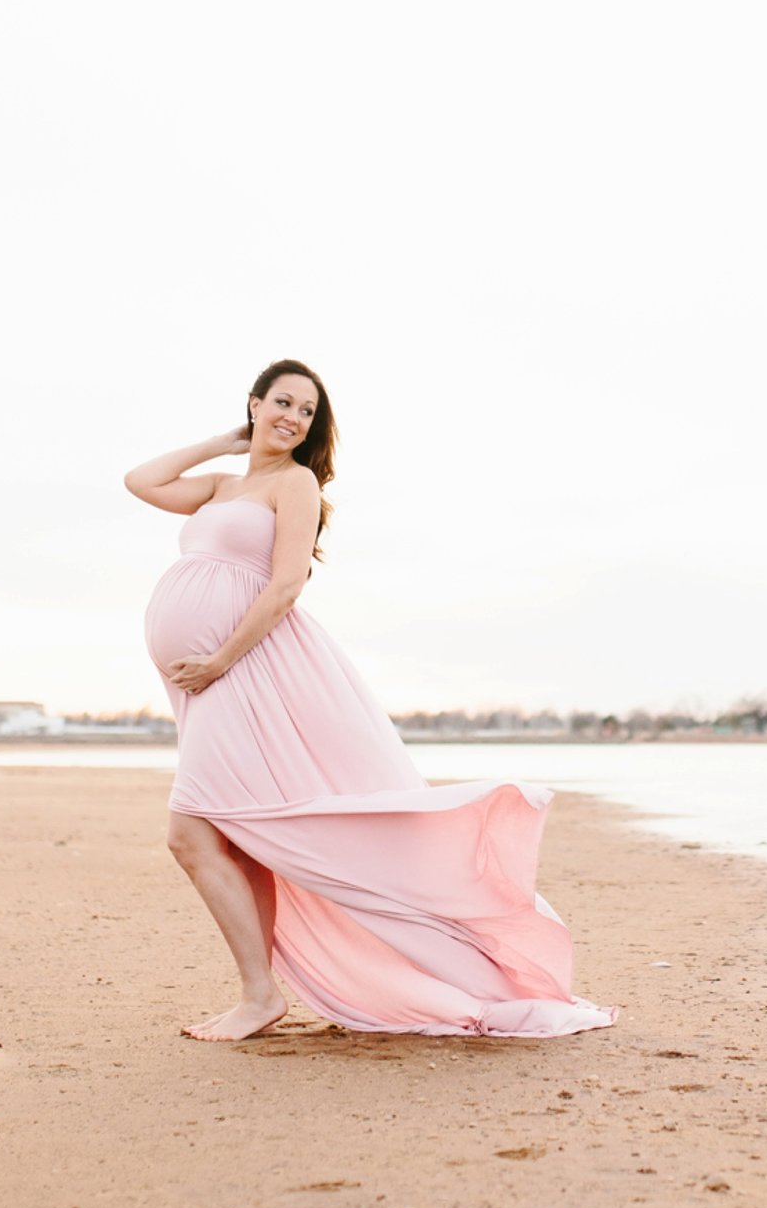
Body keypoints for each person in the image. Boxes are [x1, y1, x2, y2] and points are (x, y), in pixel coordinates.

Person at [124, 358, 620, 1043]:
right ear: (255, 404)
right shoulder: (220, 485)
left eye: (306, 412)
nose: (293, 418)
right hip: (211, 685)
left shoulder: (295, 484)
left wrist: (219, 659)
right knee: (245, 837)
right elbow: (139, 481)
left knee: (192, 832)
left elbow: (286, 586)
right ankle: (259, 993)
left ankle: (259, 994)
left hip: (247, 673)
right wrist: (226, 440)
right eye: (283, 403)